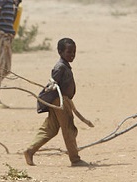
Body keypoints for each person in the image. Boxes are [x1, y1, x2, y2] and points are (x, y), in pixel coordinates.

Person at [23, 38, 89, 167]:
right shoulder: (60, 67)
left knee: (50, 129)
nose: (72, 55)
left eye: (74, 52)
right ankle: (75, 159)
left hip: (60, 102)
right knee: (69, 129)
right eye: (69, 52)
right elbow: (53, 82)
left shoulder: (65, 66)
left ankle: (30, 150)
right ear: (60, 52)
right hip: (60, 102)